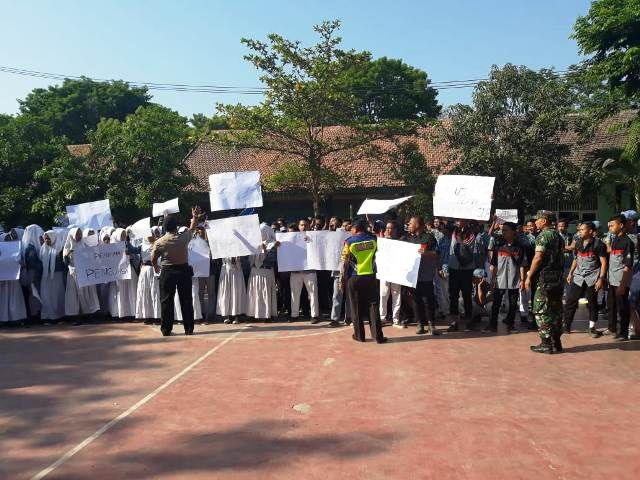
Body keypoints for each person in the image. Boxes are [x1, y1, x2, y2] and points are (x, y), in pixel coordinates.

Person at [151, 207, 201, 336]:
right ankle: (189, 328)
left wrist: (156, 266)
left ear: (165, 227)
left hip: (167, 271)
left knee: (166, 300)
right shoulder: (183, 237)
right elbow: (192, 229)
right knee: (186, 300)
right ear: (176, 227)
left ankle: (166, 329)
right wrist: (195, 217)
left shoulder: (159, 242)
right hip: (183, 270)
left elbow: (153, 257)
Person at [524, 210, 565, 354]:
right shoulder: (559, 237)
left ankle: (546, 343)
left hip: (545, 278)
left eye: (538, 219)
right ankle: (557, 342)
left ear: (545, 220)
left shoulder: (543, 236)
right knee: (556, 309)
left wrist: (529, 276)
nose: (535, 222)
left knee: (541, 309)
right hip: (558, 278)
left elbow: (538, 257)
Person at [340, 219, 386, 343]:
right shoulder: (373, 240)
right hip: (370, 276)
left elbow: (344, 261)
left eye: (351, 228)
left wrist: (342, 278)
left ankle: (359, 336)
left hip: (354, 277)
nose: (350, 230)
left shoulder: (349, 242)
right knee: (373, 306)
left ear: (356, 228)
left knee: (356, 306)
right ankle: (377, 336)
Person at [563, 222, 607, 337]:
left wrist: (601, 279)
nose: (580, 231)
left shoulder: (599, 244)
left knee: (592, 304)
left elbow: (603, 263)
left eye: (582, 229)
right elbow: (576, 259)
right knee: (570, 301)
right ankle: (566, 325)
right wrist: (571, 273)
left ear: (591, 231)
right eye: (579, 229)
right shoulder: (578, 243)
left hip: (592, 278)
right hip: (578, 277)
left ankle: (592, 328)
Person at [486, 222, 526, 333]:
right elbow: (494, 264)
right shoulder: (498, 246)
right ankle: (492, 325)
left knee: (513, 304)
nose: (503, 232)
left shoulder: (519, 247)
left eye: (506, 230)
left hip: (514, 279)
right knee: (496, 303)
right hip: (500, 279)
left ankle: (510, 324)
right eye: (502, 230)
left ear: (513, 232)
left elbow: (522, 265)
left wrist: (522, 280)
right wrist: (493, 279)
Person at [406, 216, 440, 335]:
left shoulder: (429, 238)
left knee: (427, 300)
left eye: (410, 223)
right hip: (412, 276)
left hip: (426, 275)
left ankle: (431, 324)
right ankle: (420, 323)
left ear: (417, 225)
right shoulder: (408, 238)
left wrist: (426, 253)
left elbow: (436, 253)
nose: (409, 225)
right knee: (416, 300)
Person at [604, 214, 634, 341]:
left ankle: (623, 332)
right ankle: (611, 328)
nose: (610, 228)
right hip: (611, 279)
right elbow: (611, 253)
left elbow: (627, 265)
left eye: (612, 225)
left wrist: (622, 284)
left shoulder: (628, 242)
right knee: (611, 305)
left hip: (621, 280)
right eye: (609, 226)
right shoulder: (615, 239)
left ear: (621, 226)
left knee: (622, 307)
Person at [447, 219, 481, 331]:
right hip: (453, 268)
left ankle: (469, 321)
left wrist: (460, 240)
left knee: (466, 295)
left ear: (465, 221)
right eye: (456, 220)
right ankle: (454, 322)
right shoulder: (452, 231)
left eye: (459, 220)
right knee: (453, 296)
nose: (457, 221)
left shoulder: (471, 234)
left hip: (466, 269)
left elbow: (466, 249)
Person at [63, 227, 101, 320]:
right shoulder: (67, 248)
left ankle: (89, 314)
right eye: (77, 234)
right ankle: (76, 316)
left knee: (87, 294)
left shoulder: (85, 245)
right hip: (73, 274)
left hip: (85, 274)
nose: (79, 236)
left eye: (80, 234)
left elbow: (92, 257)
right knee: (75, 295)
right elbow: (65, 262)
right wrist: (67, 254)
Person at [246, 224, 280, 321]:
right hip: (255, 272)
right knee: (255, 294)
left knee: (266, 293)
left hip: (266, 272)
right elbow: (250, 260)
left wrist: (265, 251)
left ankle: (267, 315)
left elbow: (272, 259)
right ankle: (253, 314)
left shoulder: (274, 244)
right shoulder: (253, 243)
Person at [289, 218, 320, 322]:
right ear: (298, 226)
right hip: (296, 270)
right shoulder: (291, 238)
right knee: (295, 293)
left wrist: (311, 241)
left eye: (306, 225)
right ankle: (294, 315)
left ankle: (314, 315)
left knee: (313, 293)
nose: (303, 227)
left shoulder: (314, 237)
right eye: (302, 225)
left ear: (309, 226)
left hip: (310, 270)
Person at [380, 220, 405, 329]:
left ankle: (396, 319)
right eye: (387, 228)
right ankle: (382, 318)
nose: (388, 230)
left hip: (396, 272)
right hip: (384, 272)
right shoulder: (381, 241)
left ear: (395, 230)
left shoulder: (401, 242)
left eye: (390, 228)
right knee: (383, 294)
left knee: (396, 295)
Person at [0, 230, 28, 324]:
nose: (8, 241)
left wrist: (19, 263)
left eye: (9, 239)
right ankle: (4, 319)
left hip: (14, 279)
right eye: (6, 239)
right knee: (4, 300)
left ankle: (16, 318)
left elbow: (22, 262)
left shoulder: (16, 249)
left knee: (14, 299)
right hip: (3, 281)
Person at [39, 230, 66, 322]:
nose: (47, 240)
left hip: (57, 276)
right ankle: (48, 316)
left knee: (57, 295)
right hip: (46, 277)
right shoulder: (42, 249)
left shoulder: (60, 249)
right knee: (46, 295)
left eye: (48, 238)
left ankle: (59, 315)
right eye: (45, 238)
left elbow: (64, 263)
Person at [135, 231, 161, 323]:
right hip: (145, 269)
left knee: (155, 292)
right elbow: (132, 250)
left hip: (154, 268)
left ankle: (157, 316)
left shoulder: (158, 244)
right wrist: (127, 239)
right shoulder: (141, 245)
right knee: (145, 292)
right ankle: (147, 315)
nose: (150, 236)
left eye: (151, 234)